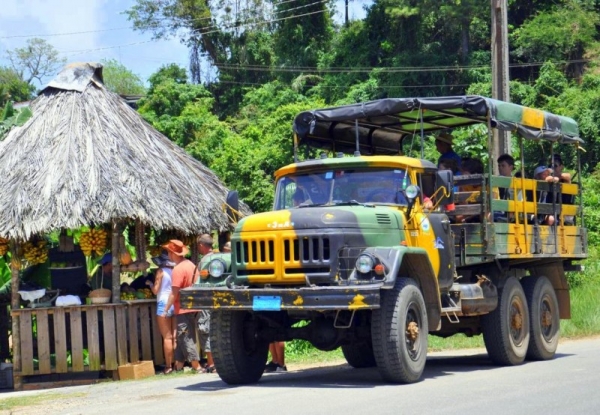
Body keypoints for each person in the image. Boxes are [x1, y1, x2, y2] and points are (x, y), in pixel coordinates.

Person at [162, 240, 203, 373]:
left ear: (172, 253)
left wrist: (166, 309)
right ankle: (178, 366)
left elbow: (174, 292)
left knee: (185, 336)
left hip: (184, 308)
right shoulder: (190, 264)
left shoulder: (178, 269)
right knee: (181, 336)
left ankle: (197, 366)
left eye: (168, 252)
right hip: (194, 306)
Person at [148, 250, 176, 374]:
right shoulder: (174, 272)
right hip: (173, 303)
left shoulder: (160, 272)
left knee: (167, 337)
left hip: (163, 304)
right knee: (174, 336)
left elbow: (155, 290)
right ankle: (177, 364)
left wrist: (149, 284)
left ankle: (168, 366)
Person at [196, 234, 216, 373]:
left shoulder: (205, 260)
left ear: (202, 246)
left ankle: (211, 364)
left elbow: (201, 281)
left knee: (205, 329)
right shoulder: (218, 256)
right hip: (216, 300)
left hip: (206, 299)